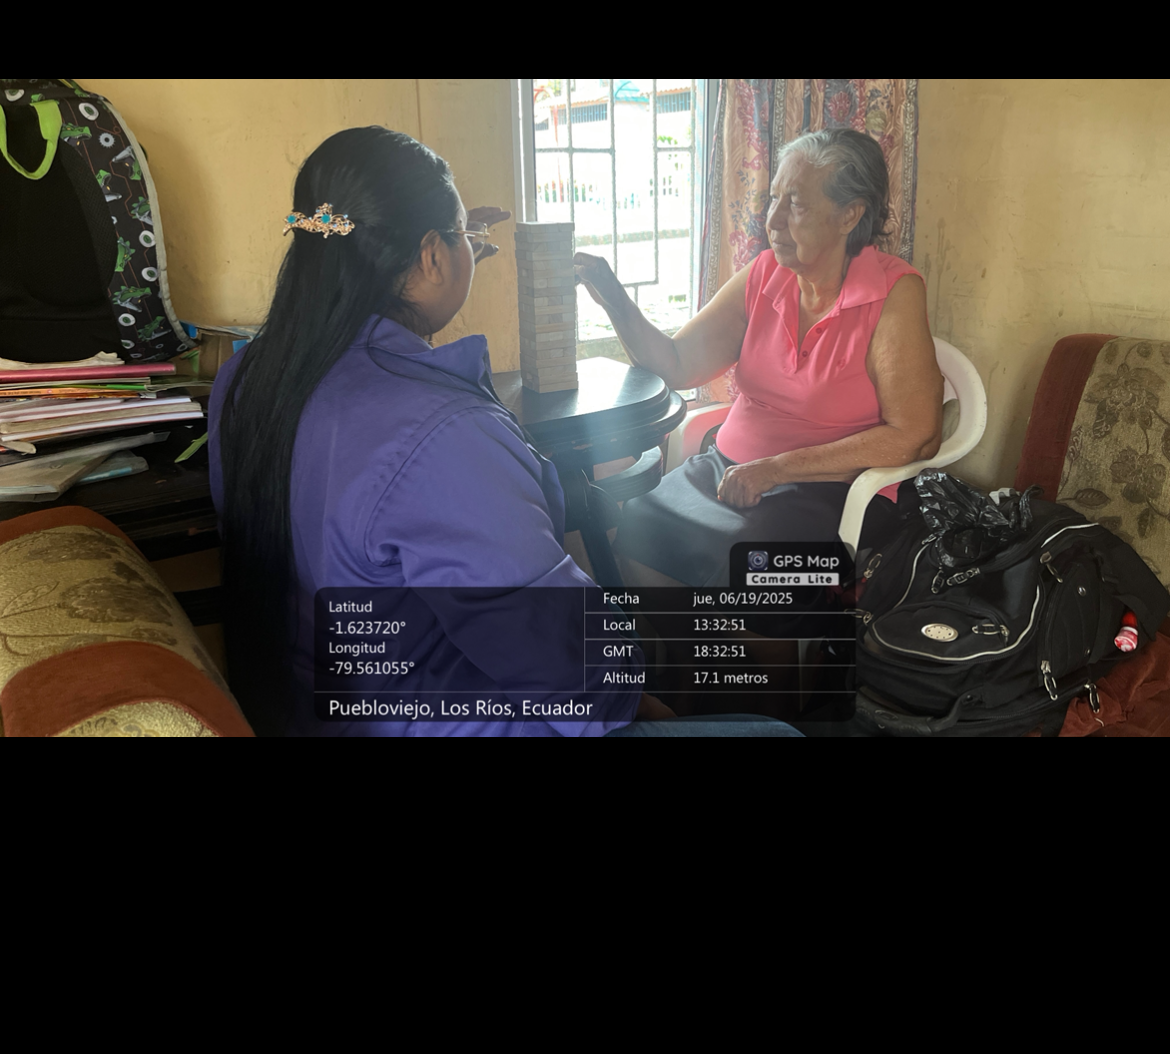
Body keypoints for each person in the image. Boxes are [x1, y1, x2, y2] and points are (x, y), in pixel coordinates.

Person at [207, 126, 803, 738]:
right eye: (463, 236)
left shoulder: (248, 379)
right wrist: (629, 696)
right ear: (432, 256)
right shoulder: (443, 435)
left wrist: (457, 242)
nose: (778, 218)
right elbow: (556, 652)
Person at [574, 128, 945, 588]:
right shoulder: (766, 273)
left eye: (797, 205)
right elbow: (677, 363)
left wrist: (776, 468)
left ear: (850, 215)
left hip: (833, 490)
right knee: (640, 521)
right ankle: (690, 638)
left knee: (750, 568)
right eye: (774, 199)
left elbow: (917, 435)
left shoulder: (893, 292)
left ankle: (745, 638)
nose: (773, 220)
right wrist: (614, 299)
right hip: (729, 468)